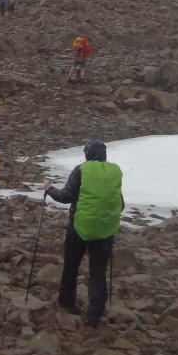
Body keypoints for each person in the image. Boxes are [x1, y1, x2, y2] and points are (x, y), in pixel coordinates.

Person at [43, 140, 123, 327]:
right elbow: (120, 202)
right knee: (98, 271)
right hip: (105, 229)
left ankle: (66, 303)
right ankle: (95, 314)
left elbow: (66, 196)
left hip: (79, 225)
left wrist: (49, 189)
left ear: (88, 154)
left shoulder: (81, 170)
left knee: (71, 265)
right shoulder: (115, 171)